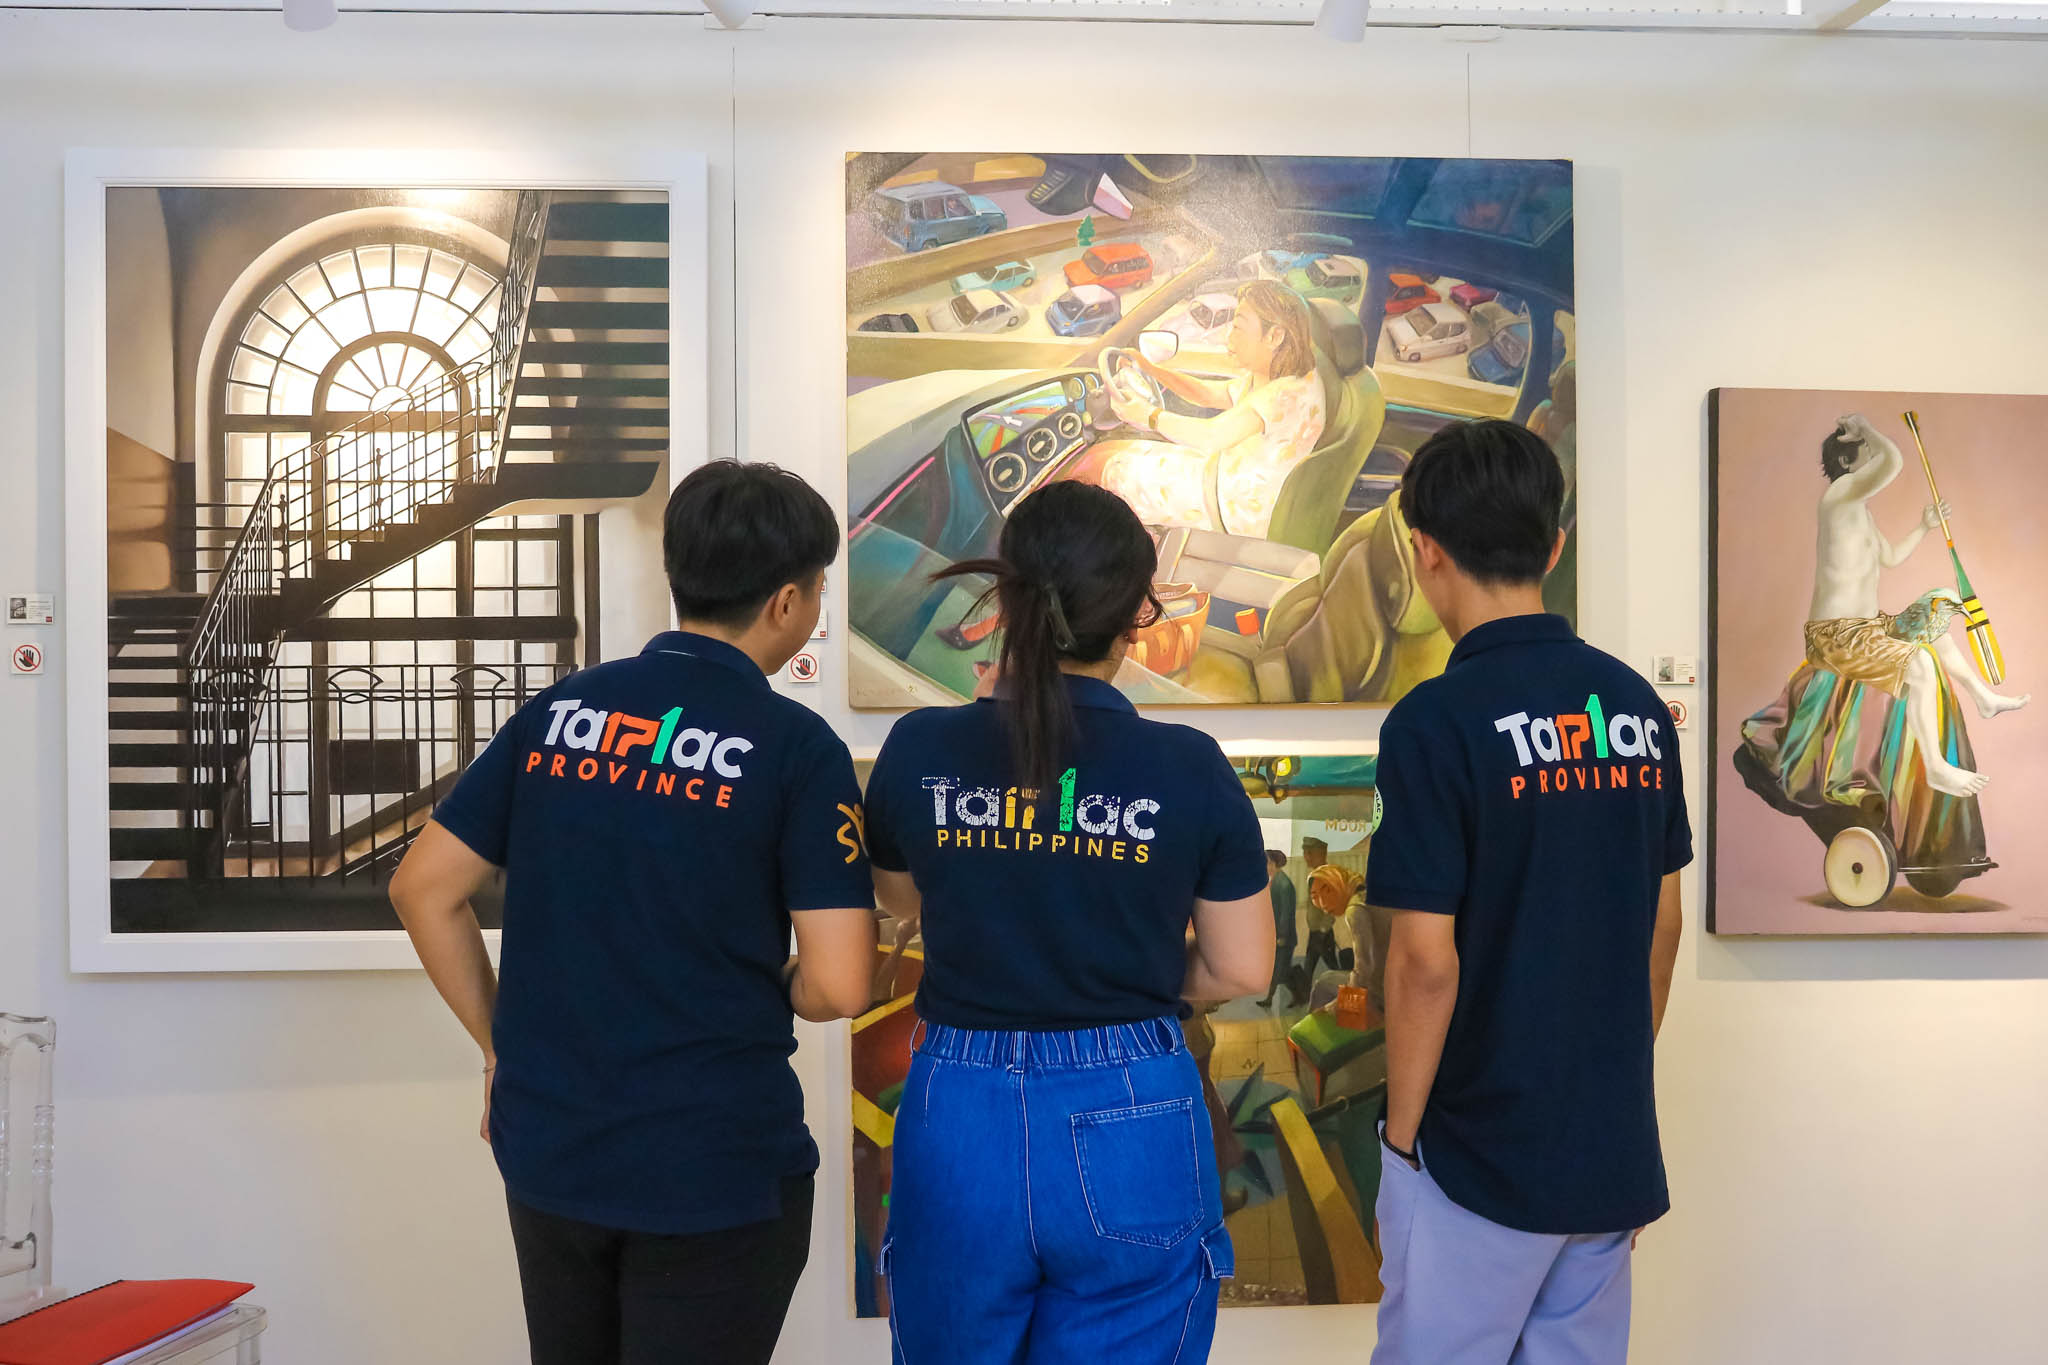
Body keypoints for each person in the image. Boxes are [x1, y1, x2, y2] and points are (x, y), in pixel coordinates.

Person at [389, 462, 878, 1365]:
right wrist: (789, 986)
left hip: (555, 1146)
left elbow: (422, 886)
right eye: (817, 591)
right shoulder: (794, 748)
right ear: (784, 602)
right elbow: (843, 981)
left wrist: (503, 1047)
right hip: (713, 1162)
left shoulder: (562, 710)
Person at [863, 480, 1274, 1364]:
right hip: (1133, 1102)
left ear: (1004, 600)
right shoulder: (1191, 767)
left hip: (958, 1110)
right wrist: (1143, 971)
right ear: (1135, 620)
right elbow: (1242, 967)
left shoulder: (920, 748)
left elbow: (901, 900)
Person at [1363, 420, 1688, 1365]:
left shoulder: (1434, 722)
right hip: (1607, 1150)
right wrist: (1608, 1089)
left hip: (1473, 1152)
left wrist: (1402, 1141)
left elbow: (1425, 960)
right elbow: (1659, 925)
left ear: (1427, 554)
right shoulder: (1634, 707)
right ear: (1555, 544)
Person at [1793, 413, 2027, 798]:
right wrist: (1863, 428)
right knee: (1918, 664)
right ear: (1848, 463)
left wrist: (1924, 525)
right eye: (1866, 451)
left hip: (1869, 627)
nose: (1873, 457)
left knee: (1940, 602)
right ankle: (1935, 769)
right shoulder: (1839, 495)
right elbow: (1894, 461)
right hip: (1835, 636)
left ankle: (1983, 698)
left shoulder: (1858, 511)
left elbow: (1890, 557)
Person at [1099, 279, 1327, 539]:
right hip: (1228, 482)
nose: (1228, 336)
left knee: (1106, 468)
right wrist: (1152, 370)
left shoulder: (1284, 396)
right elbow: (1208, 394)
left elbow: (1210, 437)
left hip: (1232, 508)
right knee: (1121, 453)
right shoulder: (1287, 379)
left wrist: (1147, 416)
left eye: (1239, 327)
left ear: (1275, 336)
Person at [1255, 849, 1297, 1009]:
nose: (1266, 866)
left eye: (1269, 863)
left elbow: (1286, 914)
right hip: (1276, 936)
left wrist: (1282, 936)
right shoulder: (1275, 881)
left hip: (1284, 938)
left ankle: (1299, 995)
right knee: (1277, 970)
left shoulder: (1284, 884)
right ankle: (1269, 999)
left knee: (1282, 972)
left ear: (1276, 864)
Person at [1298, 838, 1345, 977]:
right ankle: (1303, 995)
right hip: (1316, 932)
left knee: (1332, 967)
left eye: (1310, 853)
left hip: (1322, 933)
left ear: (1321, 854)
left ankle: (1348, 994)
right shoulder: (1316, 875)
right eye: (1306, 853)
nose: (1306, 857)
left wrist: (1323, 929)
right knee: (1310, 967)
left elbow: (1331, 906)